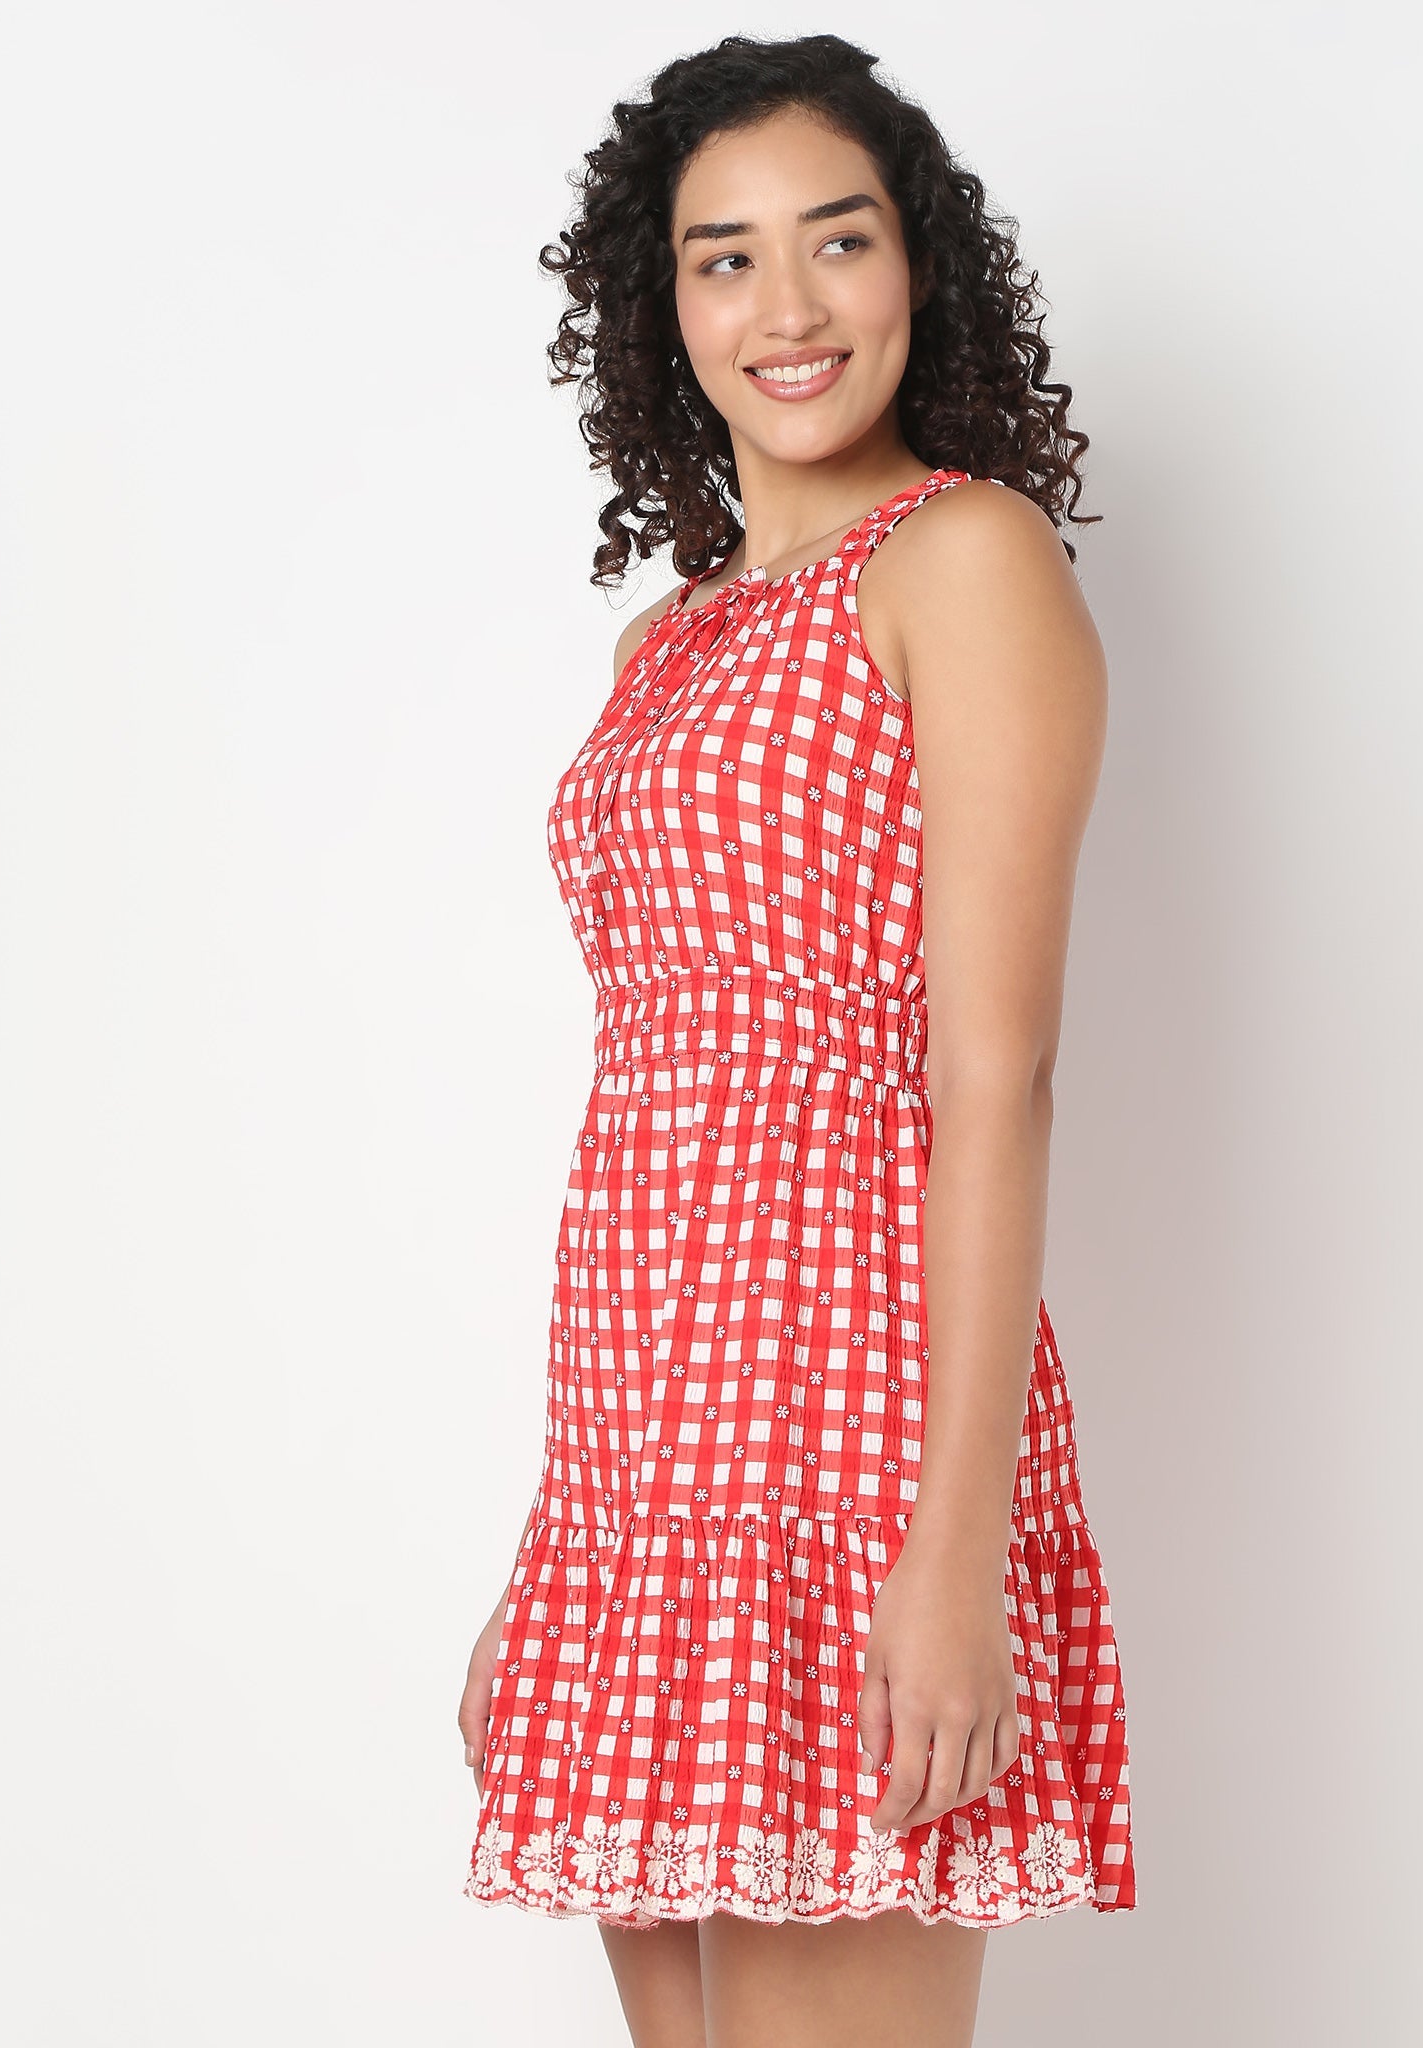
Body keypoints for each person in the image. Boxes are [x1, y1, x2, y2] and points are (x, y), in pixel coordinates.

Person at [456, 33, 1137, 2048]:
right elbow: (659, 1096)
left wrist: (952, 1554)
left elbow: (994, 1075)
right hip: (643, 1461)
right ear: (660, 307)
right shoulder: (665, 639)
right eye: (724, 257)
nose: (787, 306)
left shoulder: (961, 557)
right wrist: (561, 1544)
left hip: (848, 1437)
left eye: (835, 240)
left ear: (915, 263)